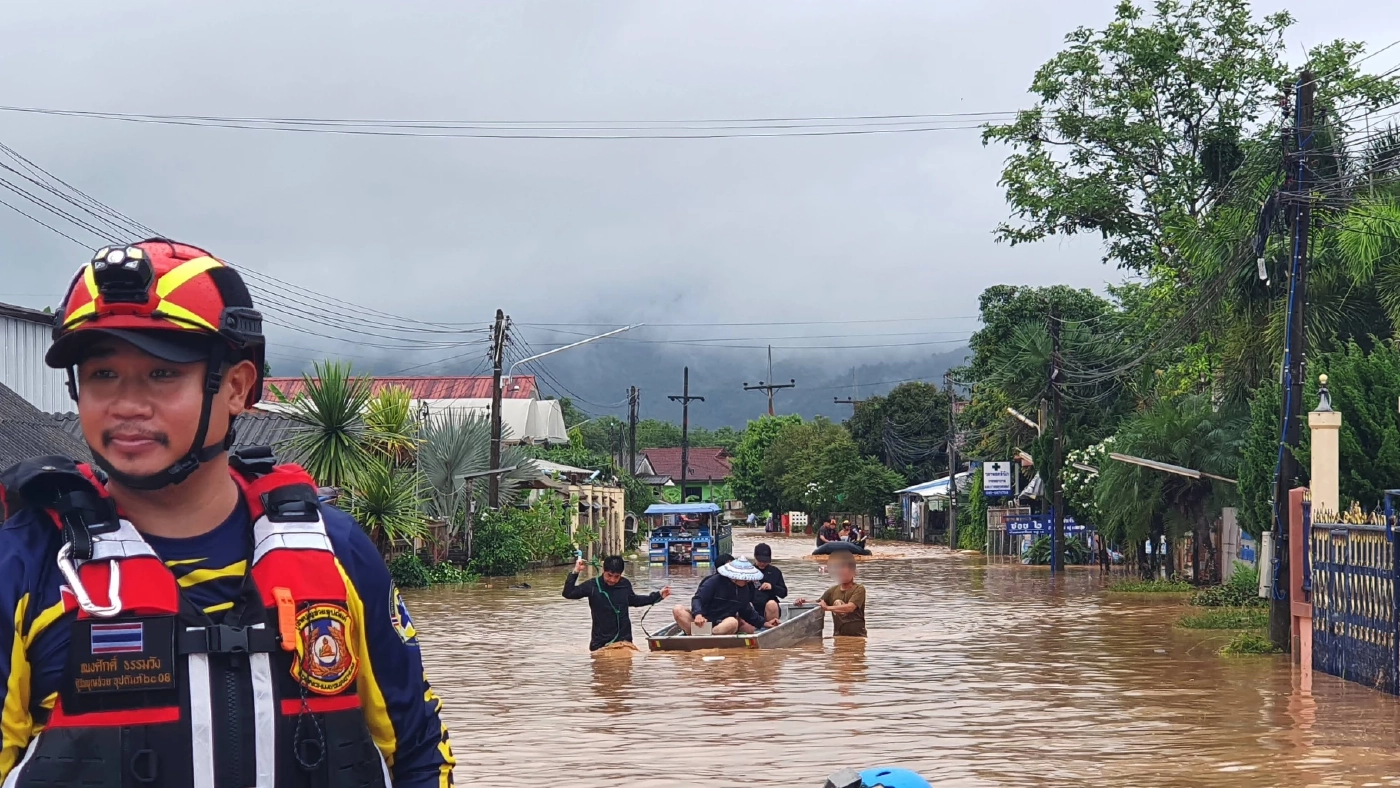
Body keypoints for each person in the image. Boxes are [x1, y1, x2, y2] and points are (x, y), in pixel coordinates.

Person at [0, 240, 455, 786]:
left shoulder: (336, 552)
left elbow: (418, 751)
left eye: (161, 374)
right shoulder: (27, 564)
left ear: (237, 387)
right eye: (102, 375)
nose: (126, 405)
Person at [563, 555, 670, 651]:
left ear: (621, 575)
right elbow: (568, 593)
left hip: (624, 642)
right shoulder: (592, 586)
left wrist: (658, 595)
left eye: (616, 576)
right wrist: (576, 571)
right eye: (609, 575)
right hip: (600, 644)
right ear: (603, 571)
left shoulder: (625, 584)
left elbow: (634, 600)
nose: (612, 580)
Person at [672, 558, 778, 635]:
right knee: (677, 609)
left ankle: (711, 636)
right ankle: (694, 634)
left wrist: (764, 623)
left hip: (721, 625)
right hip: (702, 622)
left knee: (732, 622)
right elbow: (698, 599)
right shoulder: (713, 582)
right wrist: (698, 614)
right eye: (745, 578)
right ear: (735, 577)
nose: (747, 581)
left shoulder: (744, 589)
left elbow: (747, 611)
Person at [798, 555, 867, 637]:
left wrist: (827, 608)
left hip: (857, 636)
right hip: (838, 636)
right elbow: (819, 603)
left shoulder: (859, 589)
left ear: (854, 573)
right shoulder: (832, 591)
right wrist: (803, 602)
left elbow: (850, 607)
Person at [751, 543, 788, 621]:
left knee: (772, 604)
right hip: (752, 605)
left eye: (765, 561)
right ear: (755, 557)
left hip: (770, 606)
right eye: (760, 561)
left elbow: (784, 593)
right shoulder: (748, 571)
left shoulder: (775, 572)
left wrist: (772, 587)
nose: (762, 563)